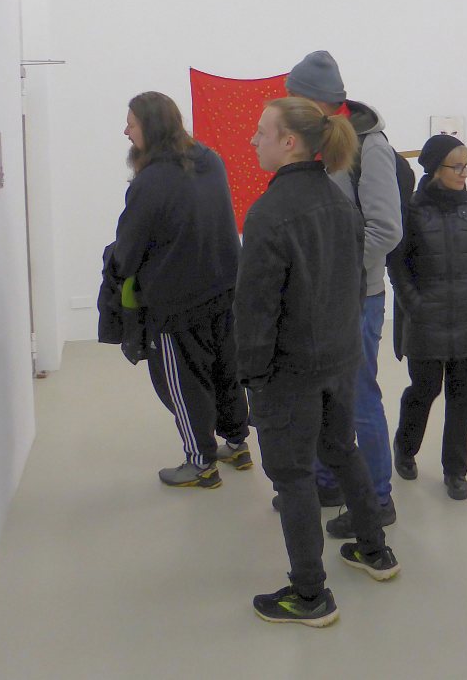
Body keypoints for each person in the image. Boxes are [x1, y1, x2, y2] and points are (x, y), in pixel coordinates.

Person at [236, 97, 400, 628]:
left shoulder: (269, 214)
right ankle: (375, 550)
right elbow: (353, 286)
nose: (253, 140)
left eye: (262, 132)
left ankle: (310, 595)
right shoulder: (339, 202)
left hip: (290, 370)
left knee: (292, 477)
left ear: (290, 143)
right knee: (340, 448)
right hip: (337, 357)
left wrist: (252, 377)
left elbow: (256, 309)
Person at [282, 50, 401, 537]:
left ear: (316, 100)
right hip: (321, 296)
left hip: (357, 297)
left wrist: (337, 273)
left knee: (359, 397)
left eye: (293, 96)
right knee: (324, 395)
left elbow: (386, 229)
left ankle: (377, 499)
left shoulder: (371, 146)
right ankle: (328, 481)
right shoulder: (313, 142)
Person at [111, 91, 251, 488]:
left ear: (150, 127)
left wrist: (119, 269)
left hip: (177, 301)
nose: (125, 131)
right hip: (225, 288)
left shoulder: (150, 181)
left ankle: (201, 463)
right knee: (226, 371)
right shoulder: (210, 159)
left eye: (131, 124)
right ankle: (237, 444)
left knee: (184, 382)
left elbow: (128, 250)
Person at [389, 134, 467, 501]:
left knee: (462, 397)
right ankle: (405, 447)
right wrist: (413, 304)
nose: (465, 172)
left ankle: (455, 471)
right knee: (424, 390)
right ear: (436, 168)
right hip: (426, 318)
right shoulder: (411, 209)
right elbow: (398, 264)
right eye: (457, 166)